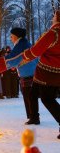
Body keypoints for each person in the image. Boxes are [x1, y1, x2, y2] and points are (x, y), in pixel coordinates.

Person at [22, 10, 60, 139]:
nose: (52, 18)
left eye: (54, 16)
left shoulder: (54, 33)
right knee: (32, 93)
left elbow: (36, 50)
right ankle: (34, 117)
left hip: (48, 73)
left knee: (47, 98)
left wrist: (26, 56)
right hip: (48, 72)